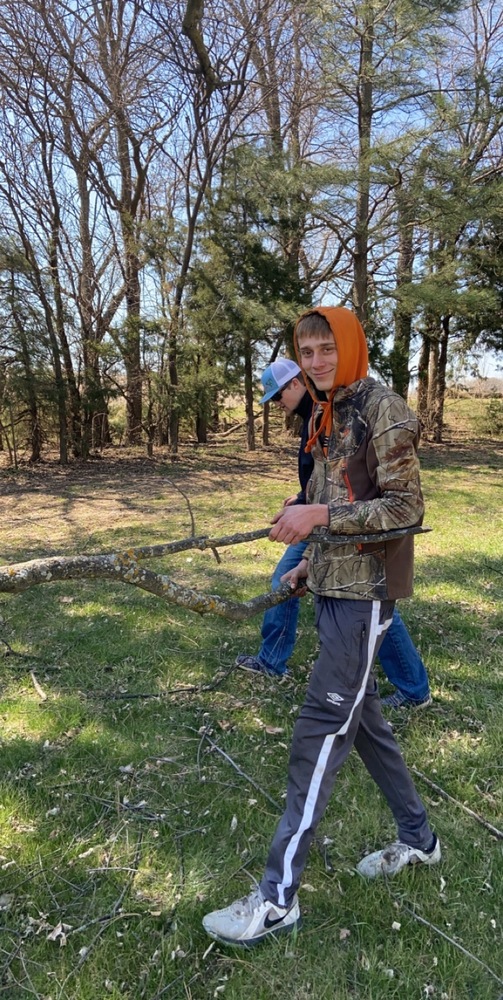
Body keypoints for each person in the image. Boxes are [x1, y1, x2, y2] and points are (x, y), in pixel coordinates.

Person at [203, 306, 441, 948]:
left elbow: (405, 508)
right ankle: (420, 839)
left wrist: (318, 520)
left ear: (351, 345)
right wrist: (311, 558)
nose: (315, 362)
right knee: (366, 726)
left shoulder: (383, 408)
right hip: (333, 584)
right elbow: (334, 498)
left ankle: (276, 900)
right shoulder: (327, 411)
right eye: (305, 352)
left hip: (366, 595)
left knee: (319, 730)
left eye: (325, 349)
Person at [236, 358, 432, 710]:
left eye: (278, 396)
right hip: (322, 520)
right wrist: (302, 499)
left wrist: (313, 511)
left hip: (347, 525)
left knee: (372, 604)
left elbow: (379, 491)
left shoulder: (349, 412)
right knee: (359, 602)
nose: (277, 404)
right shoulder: (316, 415)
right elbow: (323, 477)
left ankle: (411, 689)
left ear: (295, 384)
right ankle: (273, 660)